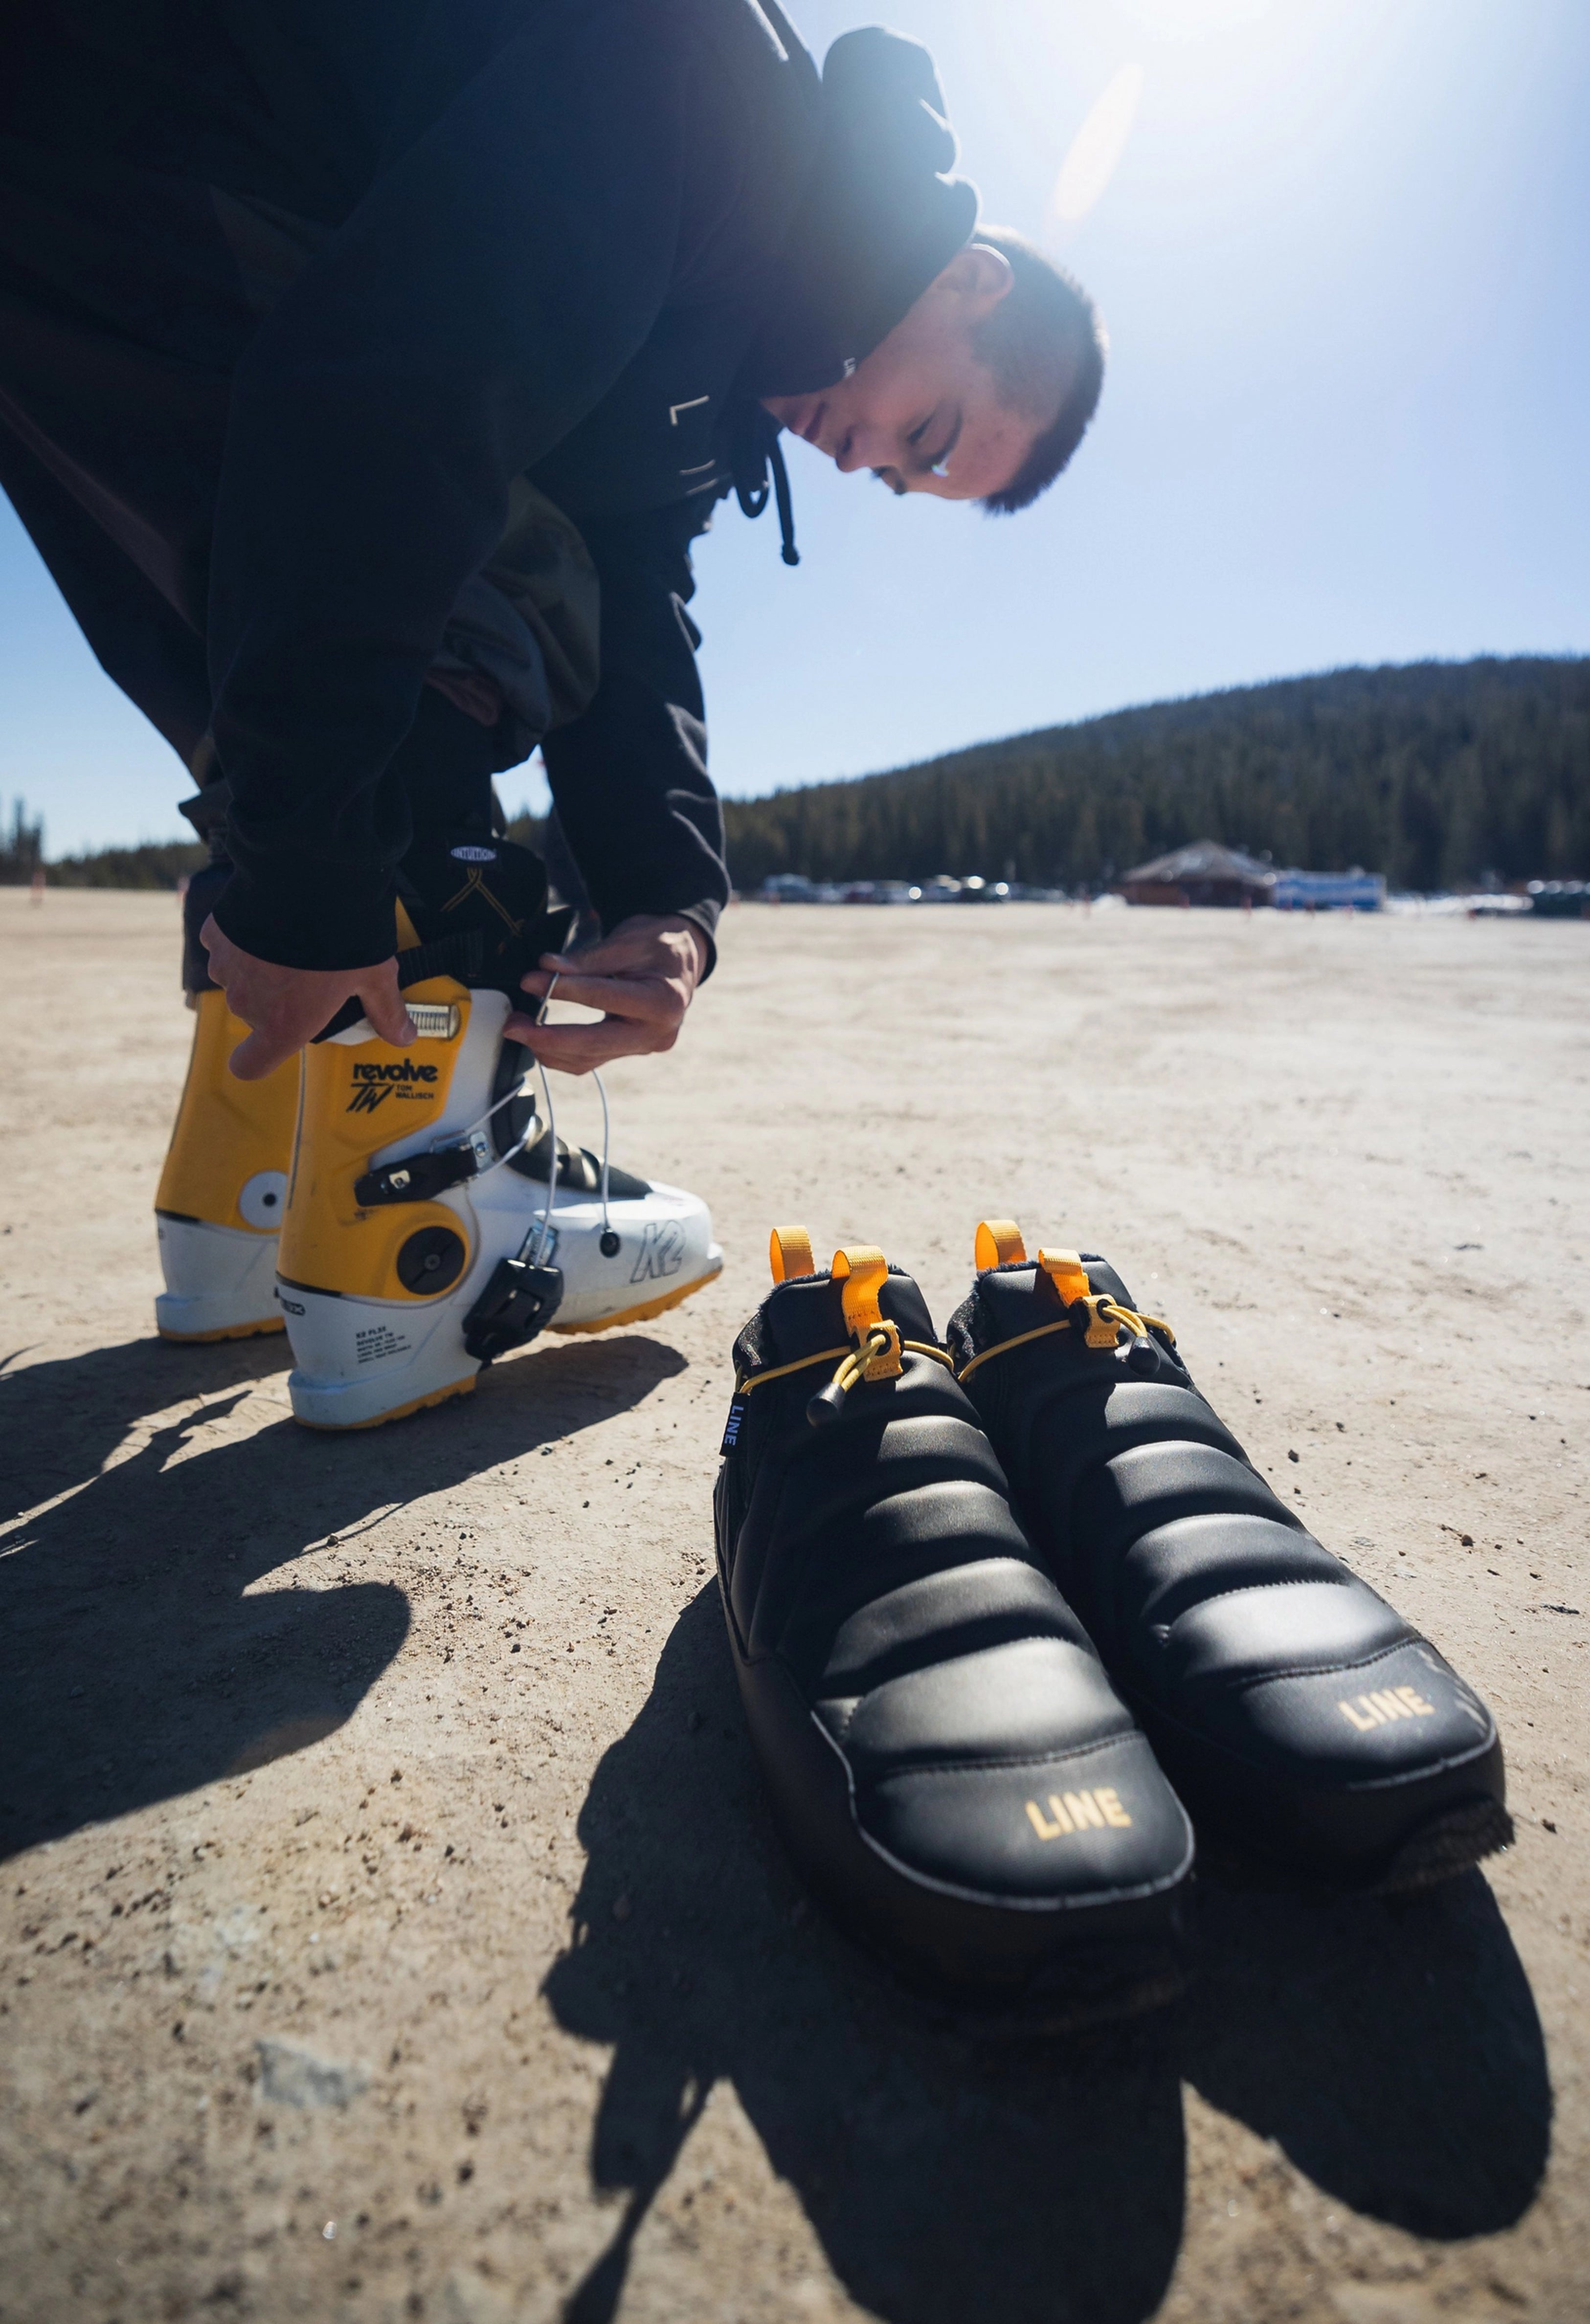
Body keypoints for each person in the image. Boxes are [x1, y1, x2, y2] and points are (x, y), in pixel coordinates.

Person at [0, 0, 1106, 1415]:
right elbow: (386, 404)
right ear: (968, 281)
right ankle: (413, 1227)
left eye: (904, 476)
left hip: (88, 196)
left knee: (308, 624)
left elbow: (633, 582)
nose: (864, 460)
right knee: (446, 570)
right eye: (925, 430)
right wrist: (309, 876)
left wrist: (670, 903)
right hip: (133, 119)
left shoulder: (727, 322)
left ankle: (245, 1190)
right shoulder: (704, 99)